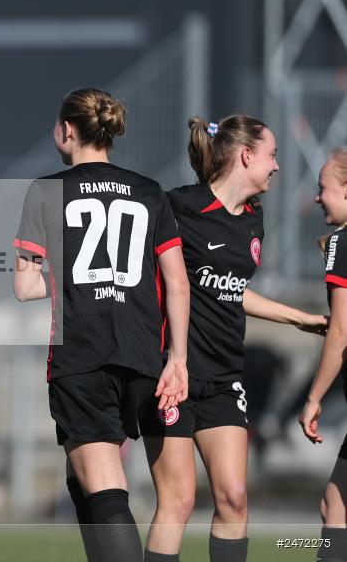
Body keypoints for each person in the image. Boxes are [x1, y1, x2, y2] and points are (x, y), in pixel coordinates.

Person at [13, 87, 191, 562]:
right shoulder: (150, 191)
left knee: (106, 487)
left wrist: (71, 278)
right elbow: (176, 281)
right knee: (82, 475)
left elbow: (25, 286)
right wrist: (178, 360)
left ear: (67, 130)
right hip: (142, 356)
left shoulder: (45, 189)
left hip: (82, 355)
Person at [144, 115, 327, 562]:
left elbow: (230, 289)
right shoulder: (177, 207)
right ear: (246, 156)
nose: (277, 167)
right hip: (174, 375)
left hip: (226, 376)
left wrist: (298, 318)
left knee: (234, 498)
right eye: (273, 155)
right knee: (180, 501)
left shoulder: (252, 223)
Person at [300, 147, 347, 562]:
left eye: (324, 188)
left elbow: (341, 331)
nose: (317, 197)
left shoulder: (342, 242)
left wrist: (314, 398)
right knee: (335, 507)